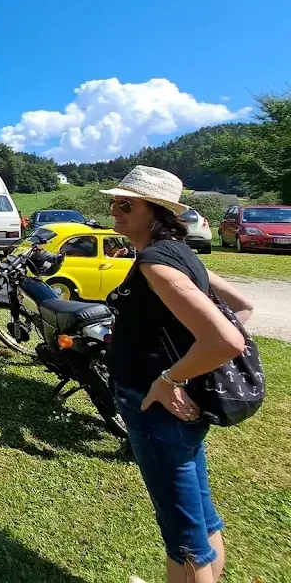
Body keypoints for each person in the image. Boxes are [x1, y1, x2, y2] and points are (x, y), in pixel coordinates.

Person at [102, 166, 253, 583]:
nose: (115, 210)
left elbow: (227, 339)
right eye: (114, 201)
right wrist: (189, 366)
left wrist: (170, 379)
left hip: (155, 411)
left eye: (126, 204)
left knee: (184, 539)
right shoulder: (181, 253)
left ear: (156, 212)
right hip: (172, 411)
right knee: (202, 520)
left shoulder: (156, 262)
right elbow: (241, 305)